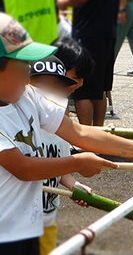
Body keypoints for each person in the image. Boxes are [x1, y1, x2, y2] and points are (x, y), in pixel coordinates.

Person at [0, 13, 133, 254]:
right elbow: (23, 168)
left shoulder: (26, 96)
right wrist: (78, 162)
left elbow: (78, 132)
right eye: (20, 67)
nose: (29, 75)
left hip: (26, 227)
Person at [29, 55, 92, 255]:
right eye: (41, 86)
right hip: (18, 223)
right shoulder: (19, 129)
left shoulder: (60, 129)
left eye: (56, 88)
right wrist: (79, 162)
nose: (49, 94)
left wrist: (74, 185)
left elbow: (61, 170)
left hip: (48, 220)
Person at [57, 0, 119, 126]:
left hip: (88, 31)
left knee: (83, 91)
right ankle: (98, 133)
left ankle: (87, 135)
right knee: (100, 88)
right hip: (108, 31)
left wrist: (60, 3)